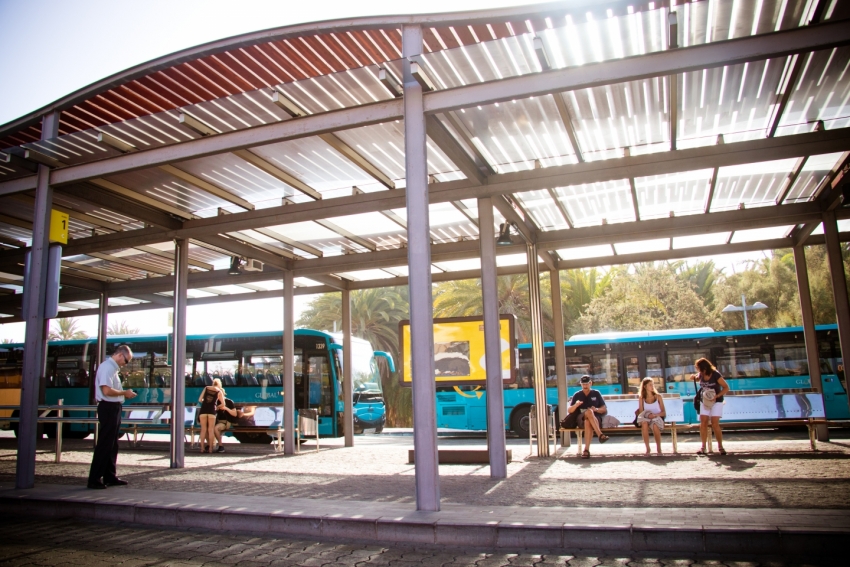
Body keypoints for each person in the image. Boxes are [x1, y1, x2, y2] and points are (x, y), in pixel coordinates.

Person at [87, 345, 137, 489]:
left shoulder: (112, 368)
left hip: (113, 407)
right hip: (108, 407)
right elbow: (106, 390)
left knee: (112, 444)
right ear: (120, 355)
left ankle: (110, 476)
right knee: (105, 444)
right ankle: (94, 479)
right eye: (126, 361)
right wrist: (124, 393)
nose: (125, 364)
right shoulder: (107, 367)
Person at [566, 375, 609, 458]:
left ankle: (586, 450)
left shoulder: (596, 393)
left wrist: (596, 409)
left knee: (588, 421)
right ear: (581, 385)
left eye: (586, 384)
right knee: (589, 412)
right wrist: (576, 405)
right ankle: (600, 435)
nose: (585, 386)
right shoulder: (577, 395)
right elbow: (570, 410)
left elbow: (604, 409)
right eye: (583, 384)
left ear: (590, 383)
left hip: (595, 420)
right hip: (580, 419)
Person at [694, 357, 730, 456]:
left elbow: (726, 387)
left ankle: (720, 446)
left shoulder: (716, 374)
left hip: (716, 400)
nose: (698, 370)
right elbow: (696, 377)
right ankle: (703, 447)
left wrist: (717, 396)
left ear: (704, 368)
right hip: (705, 401)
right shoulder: (701, 375)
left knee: (715, 423)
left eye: (699, 368)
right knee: (703, 422)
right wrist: (694, 377)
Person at [637, 377, 666, 456]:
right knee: (644, 423)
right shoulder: (641, 398)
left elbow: (663, 413)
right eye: (650, 385)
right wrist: (648, 416)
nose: (652, 386)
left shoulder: (658, 396)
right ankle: (648, 449)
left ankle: (659, 449)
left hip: (657, 417)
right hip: (646, 418)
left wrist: (655, 415)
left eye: (653, 384)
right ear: (645, 386)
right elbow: (641, 413)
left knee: (655, 425)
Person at [198, 378, 224, 453]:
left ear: (213, 383)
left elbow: (200, 400)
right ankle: (210, 449)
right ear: (219, 385)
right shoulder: (219, 391)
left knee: (203, 430)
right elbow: (223, 404)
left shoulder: (206, 388)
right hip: (212, 411)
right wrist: (217, 407)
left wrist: (205, 402)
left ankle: (202, 448)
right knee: (211, 430)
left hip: (203, 410)